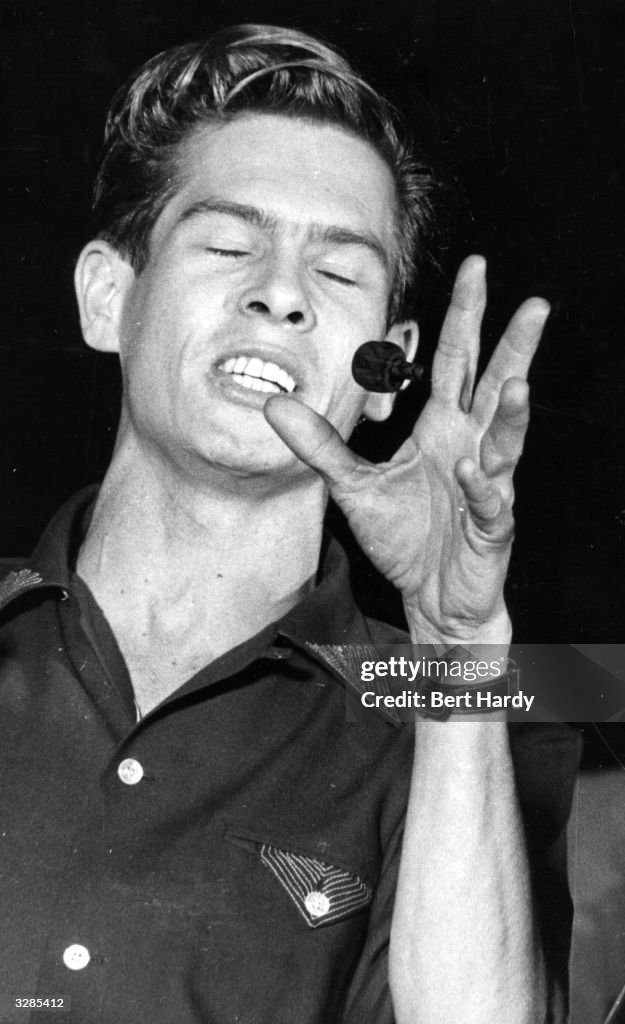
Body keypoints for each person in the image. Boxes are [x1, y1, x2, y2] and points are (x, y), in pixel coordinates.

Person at [0, 24, 580, 1024]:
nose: (280, 295)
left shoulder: (469, 730)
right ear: (108, 298)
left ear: (390, 368)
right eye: (229, 245)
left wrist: (454, 655)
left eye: (339, 274)